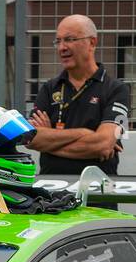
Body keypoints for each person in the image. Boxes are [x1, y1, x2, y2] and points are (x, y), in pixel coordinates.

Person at [27, 15, 130, 176]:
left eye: (69, 39)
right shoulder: (48, 89)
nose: (61, 47)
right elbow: (31, 139)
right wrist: (84, 134)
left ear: (92, 43)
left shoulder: (117, 89)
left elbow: (103, 144)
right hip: (53, 192)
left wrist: (49, 140)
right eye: (58, 41)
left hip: (98, 193)